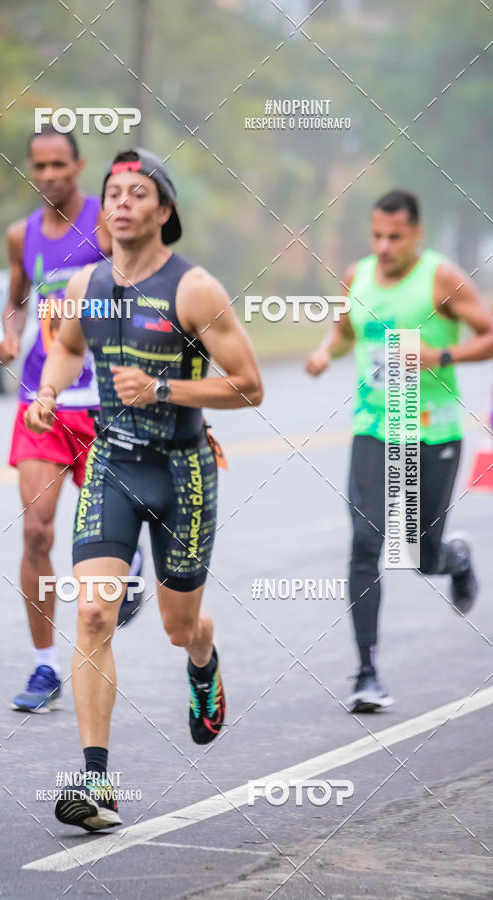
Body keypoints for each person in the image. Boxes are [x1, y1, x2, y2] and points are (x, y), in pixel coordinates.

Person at [25, 147, 263, 830]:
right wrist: (47, 391)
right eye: (114, 192)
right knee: (94, 614)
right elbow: (69, 347)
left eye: (138, 192)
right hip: (113, 464)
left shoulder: (195, 290)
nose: (123, 202)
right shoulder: (85, 286)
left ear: (164, 209)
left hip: (182, 472)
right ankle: (96, 783)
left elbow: (249, 387)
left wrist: (164, 387)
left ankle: (203, 655)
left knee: (175, 625)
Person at [306, 189, 493, 713]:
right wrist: (325, 352)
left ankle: (453, 559)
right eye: (377, 236)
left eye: (395, 237)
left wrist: (442, 353)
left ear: (417, 234)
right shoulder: (357, 276)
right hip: (374, 427)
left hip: (431, 432)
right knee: (366, 541)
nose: (384, 247)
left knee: (418, 556)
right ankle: (366, 672)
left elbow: (489, 333)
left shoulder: (440, 278)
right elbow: (345, 333)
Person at [0, 126, 142, 715]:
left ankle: (130, 562)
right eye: (40, 165)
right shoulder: (21, 236)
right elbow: (16, 300)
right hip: (45, 398)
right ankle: (44, 666)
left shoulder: (108, 225)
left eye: (60, 163)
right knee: (36, 531)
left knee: (110, 529)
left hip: (104, 402)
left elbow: (140, 284)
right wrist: (10, 335)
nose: (50, 174)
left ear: (79, 165)